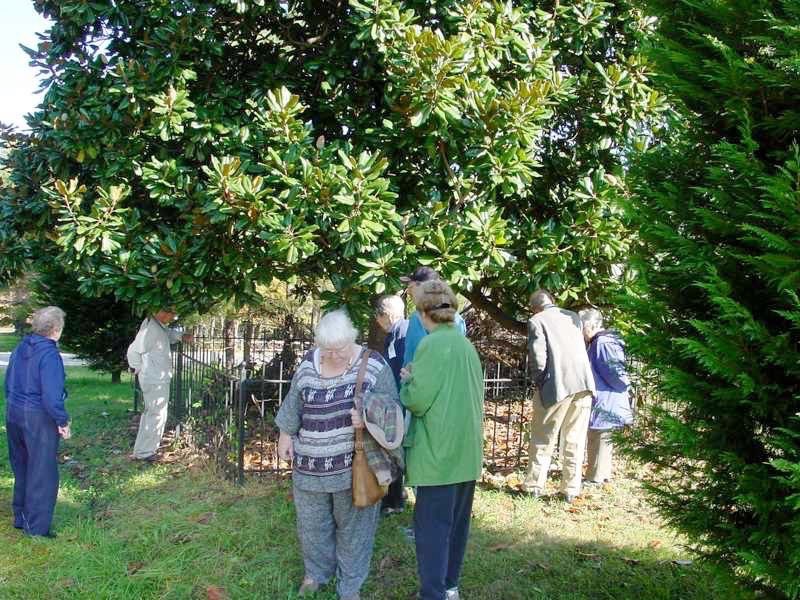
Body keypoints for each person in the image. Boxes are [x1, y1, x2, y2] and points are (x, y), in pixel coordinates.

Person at [276, 309, 403, 600]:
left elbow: (393, 415)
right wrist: (285, 435)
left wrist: (367, 418)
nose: (333, 356)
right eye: (327, 350)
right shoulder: (309, 363)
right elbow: (294, 402)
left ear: (352, 340)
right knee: (312, 526)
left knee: (354, 532)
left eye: (340, 349)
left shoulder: (374, 365)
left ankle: (350, 586)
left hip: (353, 471)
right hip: (308, 469)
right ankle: (316, 574)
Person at [400, 280, 484, 600]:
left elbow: (418, 400)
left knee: (431, 529)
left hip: (439, 455)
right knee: (457, 526)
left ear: (425, 313)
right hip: (466, 453)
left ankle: (432, 594)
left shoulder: (431, 345)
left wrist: (409, 382)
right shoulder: (465, 344)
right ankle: (450, 587)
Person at [522, 289, 596, 503]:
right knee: (574, 438)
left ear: (534, 308)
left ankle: (534, 486)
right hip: (583, 383)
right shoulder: (572, 316)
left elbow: (538, 358)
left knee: (543, 437)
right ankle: (571, 489)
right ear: (552, 301)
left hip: (556, 386)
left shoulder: (537, 320)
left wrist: (539, 382)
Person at [5, 306, 71, 537]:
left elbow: (8, 381)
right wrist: (62, 421)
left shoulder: (21, 346)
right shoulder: (49, 354)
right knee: (42, 471)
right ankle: (37, 528)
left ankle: (21, 517)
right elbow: (52, 397)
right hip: (37, 416)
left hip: (13, 412)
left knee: (22, 465)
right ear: (55, 329)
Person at [126, 308, 192, 461]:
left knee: (152, 414)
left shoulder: (157, 326)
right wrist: (137, 369)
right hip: (154, 380)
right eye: (171, 314)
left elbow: (167, 334)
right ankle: (146, 453)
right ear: (163, 312)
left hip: (156, 378)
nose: (172, 317)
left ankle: (142, 450)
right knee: (156, 415)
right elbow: (133, 350)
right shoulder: (151, 329)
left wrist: (181, 336)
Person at [578, 308, 633, 484]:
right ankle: (601, 473)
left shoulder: (602, 343)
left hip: (607, 397)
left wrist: (623, 386)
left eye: (582, 326)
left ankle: (596, 477)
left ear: (590, 325)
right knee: (601, 436)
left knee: (599, 436)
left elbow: (615, 373)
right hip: (607, 396)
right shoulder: (601, 342)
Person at [374, 294, 408, 514]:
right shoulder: (395, 334)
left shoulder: (402, 333)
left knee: (394, 447)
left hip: (401, 400)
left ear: (384, 315)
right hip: (395, 398)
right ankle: (394, 497)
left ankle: (394, 500)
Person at [401, 266, 466, 367]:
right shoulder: (457, 318)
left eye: (410, 287)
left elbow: (413, 358)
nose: (408, 292)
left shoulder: (418, 318)